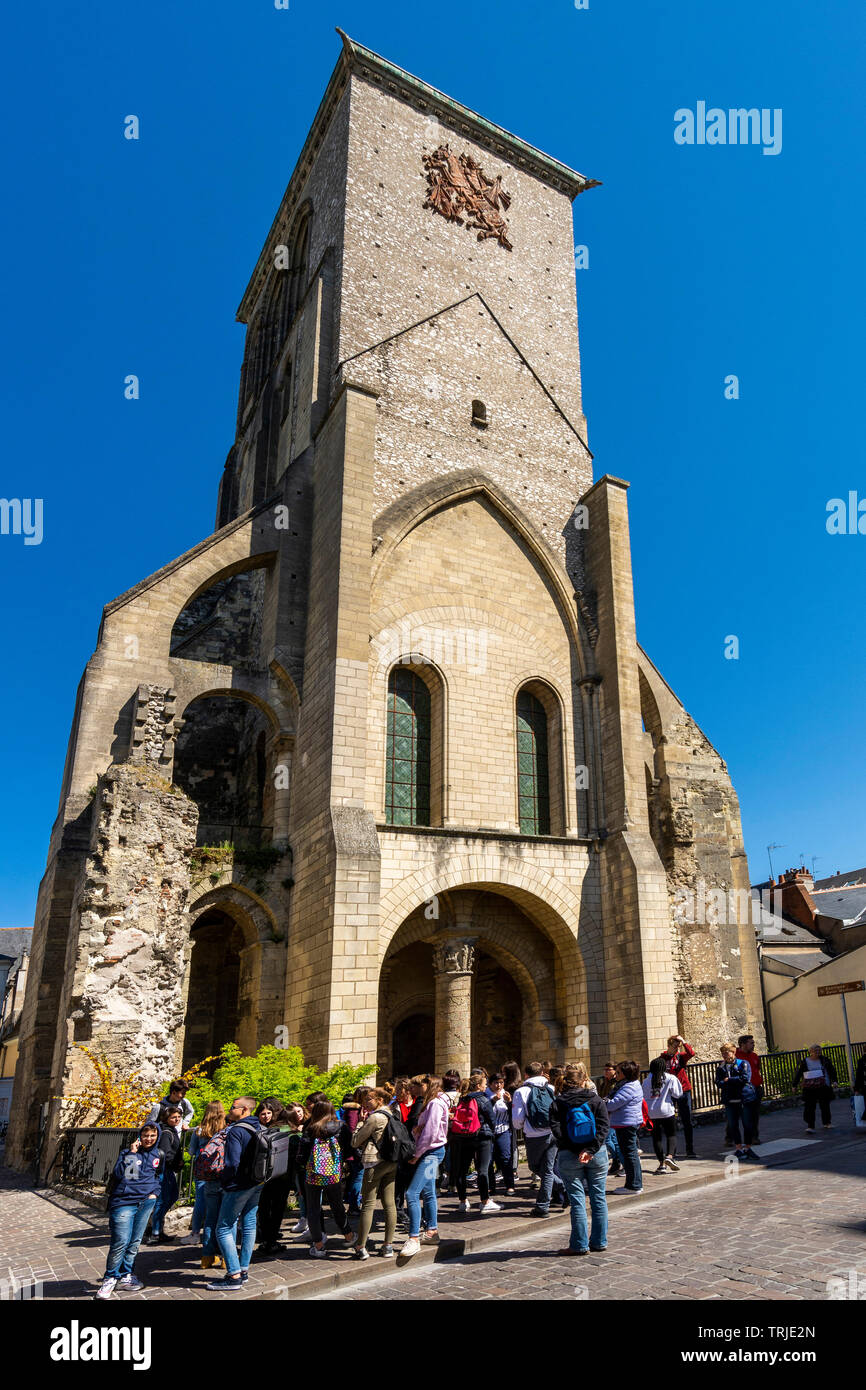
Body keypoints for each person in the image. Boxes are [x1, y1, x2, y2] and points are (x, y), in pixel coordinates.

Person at [95, 1122, 165, 1299]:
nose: (149, 1139)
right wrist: (133, 1154)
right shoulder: (128, 1153)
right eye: (145, 1135)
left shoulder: (159, 1154)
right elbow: (122, 1175)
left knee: (134, 1242)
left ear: (157, 1137)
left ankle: (126, 1276)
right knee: (120, 1241)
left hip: (146, 1202)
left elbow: (158, 1176)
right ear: (139, 1136)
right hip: (124, 1202)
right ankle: (110, 1278)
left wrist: (154, 1193)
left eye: (152, 1136)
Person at [549, 1062, 610, 1256]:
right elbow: (603, 1127)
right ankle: (599, 1241)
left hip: (570, 1155)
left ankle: (579, 1244)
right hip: (596, 1153)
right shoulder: (595, 1100)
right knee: (598, 1198)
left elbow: (557, 1130)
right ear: (583, 1081)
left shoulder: (558, 1103)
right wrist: (590, 1149)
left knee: (577, 1201)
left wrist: (575, 1149)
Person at [205, 1096, 264, 1291]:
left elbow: (231, 1163)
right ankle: (244, 1270)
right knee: (249, 1224)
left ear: (244, 1110)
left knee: (222, 1228)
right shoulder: (258, 1126)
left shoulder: (237, 1130)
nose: (230, 1110)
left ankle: (234, 1275)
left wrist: (226, 1182)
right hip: (257, 1182)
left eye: (233, 1107)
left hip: (239, 1185)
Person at [298, 1100, 358, 1258]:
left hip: (313, 1174)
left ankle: (318, 1246)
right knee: (337, 1205)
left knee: (313, 1209)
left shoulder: (310, 1128)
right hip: (333, 1173)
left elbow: (302, 1153)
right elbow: (349, 1147)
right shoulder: (341, 1126)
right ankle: (349, 1236)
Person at [402, 1075, 450, 1257]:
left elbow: (430, 1133)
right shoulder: (434, 1102)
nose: (413, 1089)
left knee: (412, 1193)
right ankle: (432, 1231)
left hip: (430, 1153)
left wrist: (416, 1154)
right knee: (428, 1192)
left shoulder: (434, 1104)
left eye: (416, 1085)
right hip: (433, 1152)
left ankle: (413, 1238)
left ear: (426, 1085)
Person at [352, 1087, 402, 1260]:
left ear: (379, 1100)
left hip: (375, 1162)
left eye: (369, 1100)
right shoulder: (394, 1113)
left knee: (368, 1204)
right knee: (389, 1204)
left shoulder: (374, 1117)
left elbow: (355, 1141)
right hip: (392, 1162)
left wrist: (360, 1122)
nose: (365, 1103)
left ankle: (361, 1246)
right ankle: (388, 1246)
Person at [511, 1062, 565, 1216]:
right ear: (542, 1073)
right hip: (553, 1133)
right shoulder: (552, 1089)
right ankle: (564, 1190)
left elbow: (517, 1120)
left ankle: (543, 1206)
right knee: (546, 1169)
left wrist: (523, 1126)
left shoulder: (521, 1092)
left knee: (536, 1168)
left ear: (526, 1075)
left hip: (534, 1135)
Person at [451, 1070, 500, 1213]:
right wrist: (491, 1133)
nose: (486, 1087)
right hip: (482, 1137)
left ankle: (463, 1201)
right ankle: (485, 1201)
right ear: (478, 1085)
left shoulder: (463, 1099)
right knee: (482, 1170)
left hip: (464, 1136)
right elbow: (492, 1120)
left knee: (462, 1169)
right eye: (484, 1084)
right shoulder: (483, 1099)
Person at [185, 1101, 226, 1269]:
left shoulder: (199, 1130)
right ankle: (224, 1257)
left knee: (206, 1212)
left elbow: (191, 1151)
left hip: (204, 1174)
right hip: (222, 1175)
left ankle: (206, 1256)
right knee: (224, 1219)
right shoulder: (226, 1129)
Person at [255, 1097, 293, 1255]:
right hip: (279, 1175)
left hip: (268, 1175)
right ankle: (270, 1240)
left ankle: (267, 1238)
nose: (266, 1116)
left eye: (268, 1113)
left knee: (266, 1207)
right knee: (274, 1208)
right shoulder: (284, 1129)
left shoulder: (261, 1129)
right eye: (263, 1113)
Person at [143, 1102, 184, 1243]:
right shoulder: (166, 1132)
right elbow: (166, 1153)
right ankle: (155, 1233)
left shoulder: (170, 1130)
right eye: (174, 1117)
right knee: (163, 1200)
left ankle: (157, 1228)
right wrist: (175, 1162)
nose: (177, 1119)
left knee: (171, 1197)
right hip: (164, 1170)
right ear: (167, 1118)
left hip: (168, 1170)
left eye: (179, 1117)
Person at [604, 1061, 644, 1194]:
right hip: (625, 1122)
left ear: (625, 1074)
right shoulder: (628, 1084)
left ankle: (634, 1185)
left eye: (619, 1072)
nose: (616, 1074)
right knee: (629, 1154)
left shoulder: (629, 1087)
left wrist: (606, 1102)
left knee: (630, 1155)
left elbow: (613, 1105)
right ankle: (633, 1184)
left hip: (627, 1123)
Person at [715, 1044, 760, 1161]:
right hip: (730, 1100)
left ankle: (748, 1147)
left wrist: (728, 1080)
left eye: (727, 1052)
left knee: (747, 1124)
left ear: (733, 1052)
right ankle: (739, 1148)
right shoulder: (721, 1067)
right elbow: (718, 1082)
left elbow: (744, 1079)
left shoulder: (743, 1063)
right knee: (733, 1124)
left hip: (744, 1098)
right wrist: (727, 1081)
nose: (725, 1055)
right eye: (723, 1053)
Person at [642, 1057, 683, 1174]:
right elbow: (678, 1093)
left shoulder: (646, 1080)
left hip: (651, 1112)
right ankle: (669, 1157)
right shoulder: (670, 1078)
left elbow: (643, 1096)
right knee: (671, 1135)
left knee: (656, 1138)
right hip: (666, 1110)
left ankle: (661, 1164)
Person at [661, 1034, 697, 1159]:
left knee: (687, 1120)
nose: (676, 1049)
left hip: (683, 1090)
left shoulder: (681, 1057)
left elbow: (691, 1053)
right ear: (669, 1046)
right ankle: (672, 1151)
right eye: (674, 1046)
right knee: (670, 1121)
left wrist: (684, 1042)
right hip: (669, 1092)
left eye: (678, 1047)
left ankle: (690, 1149)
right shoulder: (663, 1057)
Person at [793, 1045, 837, 1132]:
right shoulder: (805, 1062)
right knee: (810, 1106)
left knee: (825, 1105)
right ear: (811, 1052)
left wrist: (834, 1081)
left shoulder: (825, 1060)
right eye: (816, 1051)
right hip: (809, 1087)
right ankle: (810, 1126)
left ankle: (827, 1122)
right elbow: (799, 1073)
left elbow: (832, 1070)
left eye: (819, 1051)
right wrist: (794, 1085)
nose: (818, 1053)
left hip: (823, 1086)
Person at [487, 1073, 516, 1196]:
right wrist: (492, 1102)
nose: (499, 1085)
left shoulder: (506, 1094)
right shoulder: (486, 1095)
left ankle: (510, 1185)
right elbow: (484, 1112)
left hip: (503, 1130)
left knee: (506, 1158)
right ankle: (490, 1186)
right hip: (489, 1132)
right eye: (496, 1083)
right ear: (490, 1084)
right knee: (489, 1160)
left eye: (501, 1082)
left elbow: (513, 1113)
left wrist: (509, 1103)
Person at [338, 1091, 364, 1216]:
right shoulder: (354, 1111)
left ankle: (353, 1205)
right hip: (355, 1151)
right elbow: (353, 1131)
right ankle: (353, 1206)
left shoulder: (353, 1110)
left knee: (356, 1177)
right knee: (358, 1177)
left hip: (353, 1150)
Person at [735, 1035, 764, 1145]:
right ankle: (730, 1135)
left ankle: (754, 1137)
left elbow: (757, 1070)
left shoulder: (755, 1056)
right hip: (743, 1089)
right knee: (738, 1114)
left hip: (756, 1088)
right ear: (743, 1044)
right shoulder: (736, 1057)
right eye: (751, 1043)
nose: (753, 1045)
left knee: (754, 1114)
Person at [439, 1069, 461, 1192]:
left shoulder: (442, 1097)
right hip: (458, 1129)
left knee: (442, 1155)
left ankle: (442, 1179)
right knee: (455, 1156)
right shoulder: (460, 1096)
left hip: (444, 1128)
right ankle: (453, 1184)